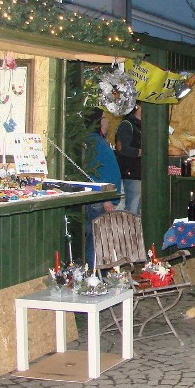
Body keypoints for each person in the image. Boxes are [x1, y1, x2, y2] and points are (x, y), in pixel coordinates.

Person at [83, 108, 122, 269]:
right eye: (104, 118)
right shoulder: (93, 142)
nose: (107, 121)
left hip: (105, 198)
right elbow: (94, 173)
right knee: (97, 239)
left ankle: (101, 273)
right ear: (98, 122)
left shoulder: (99, 140)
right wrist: (105, 198)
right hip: (99, 200)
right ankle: (94, 273)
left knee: (101, 238)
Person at [115, 104, 142, 215]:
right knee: (132, 209)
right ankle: (131, 232)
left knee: (138, 208)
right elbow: (122, 149)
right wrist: (142, 151)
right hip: (132, 174)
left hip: (140, 174)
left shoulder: (141, 126)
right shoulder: (127, 124)